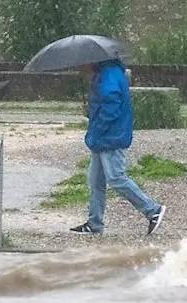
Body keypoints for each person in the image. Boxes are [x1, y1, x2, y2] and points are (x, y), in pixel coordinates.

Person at [71, 58, 166, 236]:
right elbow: (106, 104)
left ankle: (152, 210)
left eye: (80, 64)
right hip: (105, 137)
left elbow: (110, 107)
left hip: (110, 137)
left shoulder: (107, 77)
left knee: (116, 178)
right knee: (95, 181)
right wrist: (91, 111)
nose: (79, 68)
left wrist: (96, 123)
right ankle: (94, 223)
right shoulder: (107, 74)